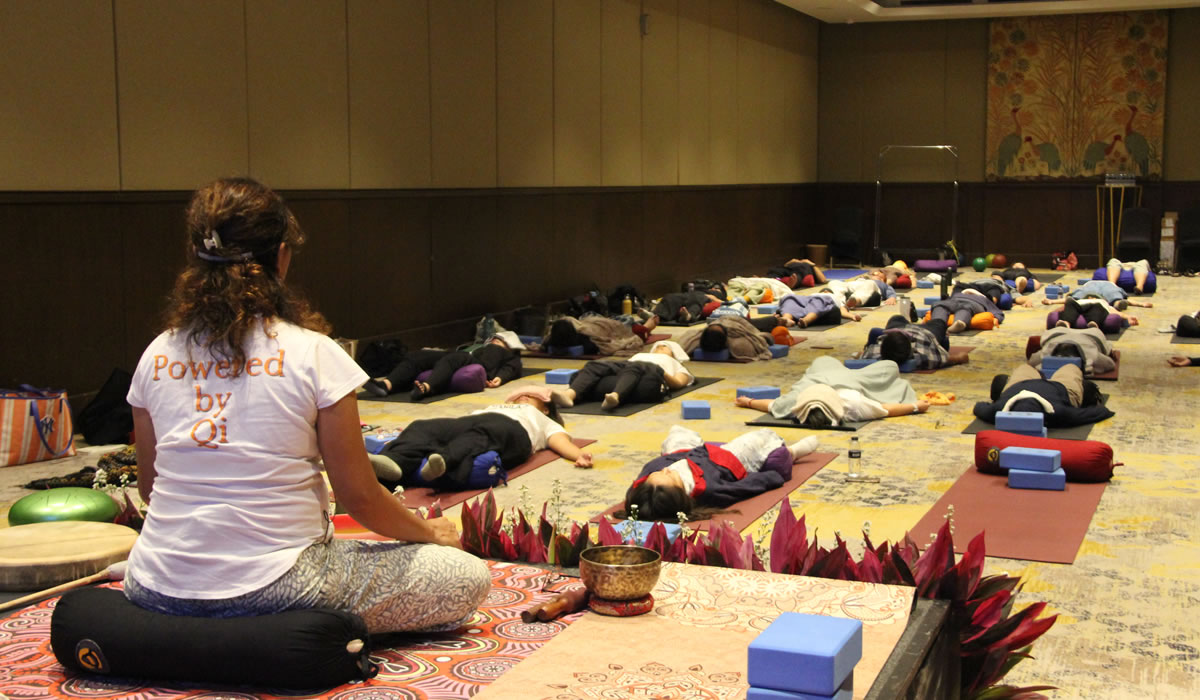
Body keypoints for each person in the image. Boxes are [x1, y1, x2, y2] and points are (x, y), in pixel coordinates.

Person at [123, 178, 488, 634]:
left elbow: (150, 486)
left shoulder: (156, 353)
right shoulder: (313, 353)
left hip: (154, 585)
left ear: (195, 256)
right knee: (465, 576)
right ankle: (279, 632)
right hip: (276, 584)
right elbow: (359, 498)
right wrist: (429, 532)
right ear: (281, 256)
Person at [369, 386, 594, 490]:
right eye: (520, 395)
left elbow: (559, 441)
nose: (524, 397)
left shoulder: (542, 419)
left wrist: (578, 454)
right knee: (423, 426)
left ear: (546, 408)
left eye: (532, 396)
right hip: (475, 421)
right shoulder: (494, 406)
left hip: (514, 432)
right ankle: (395, 462)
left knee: (479, 436)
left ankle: (443, 461)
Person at [614, 425, 819, 523]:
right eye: (669, 476)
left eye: (659, 472)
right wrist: (772, 477)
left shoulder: (647, 485)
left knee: (678, 431)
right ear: (681, 494)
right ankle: (793, 452)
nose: (666, 470)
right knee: (763, 436)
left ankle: (691, 441)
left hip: (680, 452)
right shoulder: (709, 489)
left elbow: (639, 490)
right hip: (723, 458)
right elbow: (743, 488)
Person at [736, 355, 930, 428]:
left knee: (822, 359)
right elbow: (887, 409)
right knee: (890, 366)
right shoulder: (851, 403)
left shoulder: (797, 403)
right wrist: (915, 406)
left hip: (821, 371)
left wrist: (748, 402)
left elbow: (770, 405)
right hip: (851, 379)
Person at [363, 333, 523, 399]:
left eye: (498, 341)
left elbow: (512, 367)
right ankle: (386, 385)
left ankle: (426, 388)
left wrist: (500, 378)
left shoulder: (509, 355)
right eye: (494, 339)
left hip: (475, 363)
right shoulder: (480, 346)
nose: (494, 341)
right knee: (418, 356)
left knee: (451, 359)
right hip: (459, 355)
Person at [549, 341, 693, 410]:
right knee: (595, 365)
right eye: (657, 346)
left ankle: (615, 396)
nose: (659, 347)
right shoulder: (640, 354)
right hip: (628, 365)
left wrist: (660, 371)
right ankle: (569, 395)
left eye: (665, 347)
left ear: (674, 353)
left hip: (652, 371)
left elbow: (679, 383)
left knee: (636, 366)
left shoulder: (676, 364)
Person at [973, 363, 1113, 428]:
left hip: (1020, 384)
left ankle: (1038, 374)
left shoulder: (998, 409)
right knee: (1071, 366)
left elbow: (978, 407)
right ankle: (1040, 374)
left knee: (1025, 366)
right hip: (1062, 388)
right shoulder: (1056, 412)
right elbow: (1097, 413)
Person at [857, 315, 971, 370]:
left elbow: (859, 355)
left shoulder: (873, 354)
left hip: (899, 327)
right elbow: (959, 357)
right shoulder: (924, 356)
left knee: (896, 318)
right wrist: (960, 358)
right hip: (925, 332)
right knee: (939, 321)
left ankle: (909, 321)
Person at [678, 315, 774, 361]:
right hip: (741, 322)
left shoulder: (693, 336)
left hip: (735, 318)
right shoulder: (738, 341)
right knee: (772, 320)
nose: (716, 324)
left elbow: (679, 346)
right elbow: (758, 336)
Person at [1028, 326, 1116, 376]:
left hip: (1090, 334)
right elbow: (1110, 364)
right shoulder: (1048, 351)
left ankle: (1066, 325)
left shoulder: (1091, 354)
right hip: (1057, 333)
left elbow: (1110, 365)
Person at [1042, 296, 1148, 329]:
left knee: (1098, 308)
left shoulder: (1101, 302)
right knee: (1070, 302)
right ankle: (1066, 323)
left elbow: (1113, 311)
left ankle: (1093, 324)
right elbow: (1066, 303)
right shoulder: (1079, 300)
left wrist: (1127, 317)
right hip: (1079, 306)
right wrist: (1052, 302)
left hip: (1096, 308)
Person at [929, 287, 1006, 333]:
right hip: (954, 301)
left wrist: (996, 318)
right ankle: (936, 324)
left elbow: (997, 312)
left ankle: (960, 323)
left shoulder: (984, 299)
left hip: (973, 303)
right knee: (940, 305)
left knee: (966, 308)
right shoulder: (957, 294)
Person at [774, 292, 861, 328]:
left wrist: (852, 316)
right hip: (806, 299)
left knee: (818, 301)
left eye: (827, 290)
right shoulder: (814, 294)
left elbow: (842, 311)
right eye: (824, 290)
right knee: (790, 298)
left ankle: (806, 320)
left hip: (823, 301)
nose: (825, 291)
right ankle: (786, 319)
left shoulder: (833, 297)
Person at [653, 290, 724, 323]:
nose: (714, 289)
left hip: (672, 298)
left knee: (696, 306)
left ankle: (653, 315)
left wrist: (714, 298)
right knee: (696, 308)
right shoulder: (703, 295)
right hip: (680, 299)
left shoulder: (709, 296)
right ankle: (688, 316)